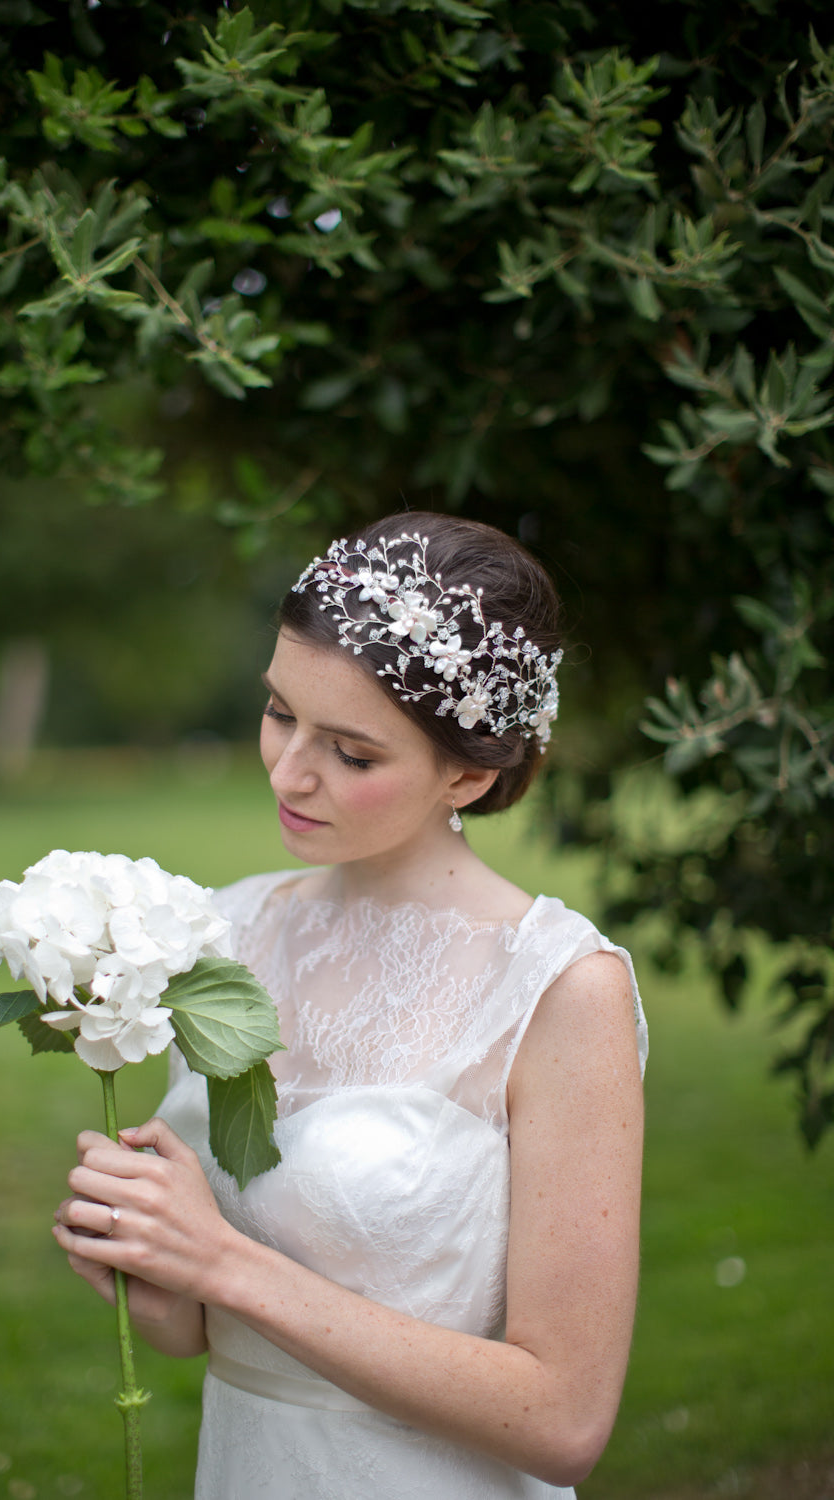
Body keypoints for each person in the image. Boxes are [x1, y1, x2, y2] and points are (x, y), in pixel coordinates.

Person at [53, 512, 648, 1500]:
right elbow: (200, 1337)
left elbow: (564, 1419)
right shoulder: (215, 934)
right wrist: (145, 1263)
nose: (289, 772)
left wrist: (222, 1264)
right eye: (280, 712)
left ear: (467, 771)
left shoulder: (555, 987)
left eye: (352, 753)